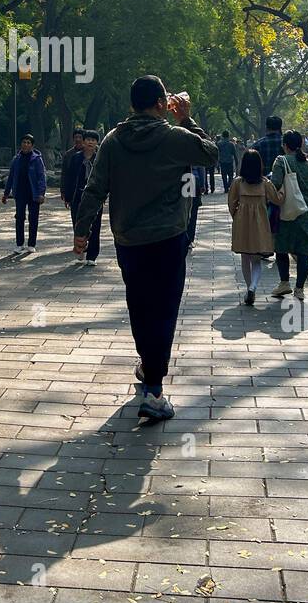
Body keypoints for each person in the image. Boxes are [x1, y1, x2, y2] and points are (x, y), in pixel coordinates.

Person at [72, 76, 217, 423]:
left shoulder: (112, 141)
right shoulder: (174, 137)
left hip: (129, 239)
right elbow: (210, 154)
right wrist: (187, 119)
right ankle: (153, 389)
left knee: (139, 304)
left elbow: (94, 190)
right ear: (160, 104)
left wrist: (81, 232)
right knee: (164, 308)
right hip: (168, 238)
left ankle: (147, 364)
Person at [270, 130, 308, 301]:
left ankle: (284, 282)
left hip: (287, 209)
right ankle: (299, 289)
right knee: (304, 250)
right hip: (307, 211)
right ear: (300, 145)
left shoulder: (281, 160)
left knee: (281, 246)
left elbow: (276, 184)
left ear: (285, 145)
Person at [228, 150, 284, 306]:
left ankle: (249, 289)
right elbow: (277, 200)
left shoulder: (238, 183)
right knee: (257, 259)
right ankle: (253, 287)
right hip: (260, 224)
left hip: (241, 223)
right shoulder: (265, 183)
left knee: (244, 258)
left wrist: (236, 217)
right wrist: (284, 191)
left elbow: (231, 203)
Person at [2, 133, 47, 253]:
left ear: (32, 145)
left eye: (28, 142)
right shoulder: (16, 159)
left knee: (33, 219)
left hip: (34, 193)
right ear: (21, 144)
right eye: (24, 142)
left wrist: (41, 193)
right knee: (19, 218)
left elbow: (41, 177)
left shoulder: (37, 159)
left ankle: (31, 244)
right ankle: (19, 243)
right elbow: (11, 177)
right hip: (20, 193)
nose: (26, 144)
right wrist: (6, 193)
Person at [66, 130, 103, 264]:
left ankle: (92, 255)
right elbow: (70, 178)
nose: (90, 142)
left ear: (97, 142)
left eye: (93, 140)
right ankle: (80, 250)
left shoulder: (100, 158)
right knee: (78, 224)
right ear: (83, 141)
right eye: (88, 139)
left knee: (95, 225)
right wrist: (68, 195)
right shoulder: (76, 158)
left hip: (95, 196)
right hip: (78, 196)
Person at [59, 129, 84, 212]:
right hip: (73, 189)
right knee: (75, 215)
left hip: (86, 189)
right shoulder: (68, 154)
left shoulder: (90, 153)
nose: (78, 139)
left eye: (80, 137)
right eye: (76, 137)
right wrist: (63, 191)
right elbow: (64, 174)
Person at [185, 164, 204, 248]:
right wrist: (203, 184)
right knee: (193, 212)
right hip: (194, 179)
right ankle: (190, 239)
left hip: (185, 179)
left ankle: (184, 237)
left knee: (184, 210)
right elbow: (201, 168)